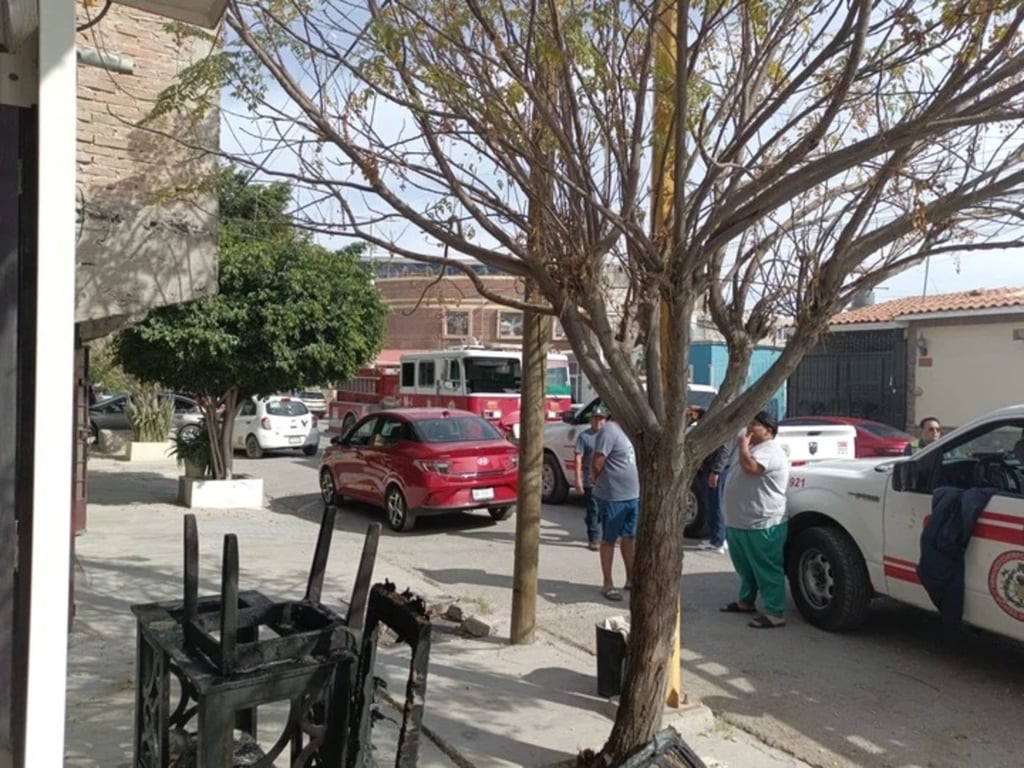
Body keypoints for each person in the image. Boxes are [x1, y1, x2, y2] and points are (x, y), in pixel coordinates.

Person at [720, 410, 790, 629]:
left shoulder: (769, 450)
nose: (749, 427)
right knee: (746, 568)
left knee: (766, 567)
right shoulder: (752, 448)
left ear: (768, 431)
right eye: (750, 421)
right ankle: (746, 601)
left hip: (761, 523)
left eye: (755, 424)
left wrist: (742, 445)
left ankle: (775, 612)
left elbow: (751, 469)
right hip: (740, 521)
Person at [590, 413, 640, 602]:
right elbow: (598, 460)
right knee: (609, 539)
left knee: (629, 537)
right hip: (613, 496)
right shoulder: (609, 430)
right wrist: (595, 479)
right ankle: (608, 583)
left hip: (632, 496)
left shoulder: (629, 430)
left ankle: (630, 579)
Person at [574, 406, 607, 551]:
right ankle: (594, 538)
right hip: (590, 479)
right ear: (591, 420)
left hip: (607, 480)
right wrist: (578, 479)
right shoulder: (584, 437)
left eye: (601, 419)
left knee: (601, 510)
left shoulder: (608, 436)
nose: (598, 422)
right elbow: (578, 458)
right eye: (596, 419)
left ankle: (590, 521)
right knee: (594, 508)